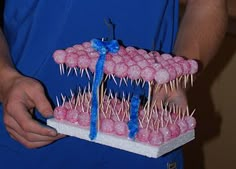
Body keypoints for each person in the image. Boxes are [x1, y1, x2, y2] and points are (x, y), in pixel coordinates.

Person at [0, 0, 227, 169]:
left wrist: (175, 77)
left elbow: (208, 5)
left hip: (148, 130)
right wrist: (6, 79)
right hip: (27, 124)